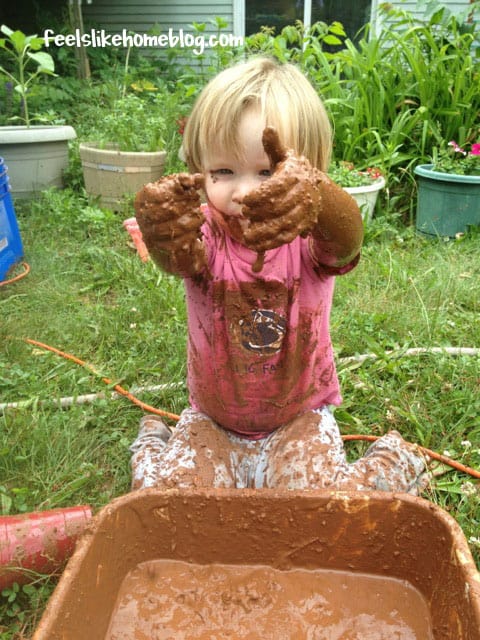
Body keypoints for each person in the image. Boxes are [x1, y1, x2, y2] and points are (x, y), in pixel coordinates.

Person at [131, 56, 426, 493]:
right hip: (214, 420)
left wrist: (319, 197)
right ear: (200, 169)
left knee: (324, 511)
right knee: (169, 506)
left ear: (311, 173)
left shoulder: (312, 236)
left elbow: (348, 241)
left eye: (269, 172)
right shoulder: (207, 231)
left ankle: (392, 460)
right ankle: (152, 447)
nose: (245, 190)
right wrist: (162, 232)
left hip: (297, 418)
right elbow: (179, 260)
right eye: (224, 172)